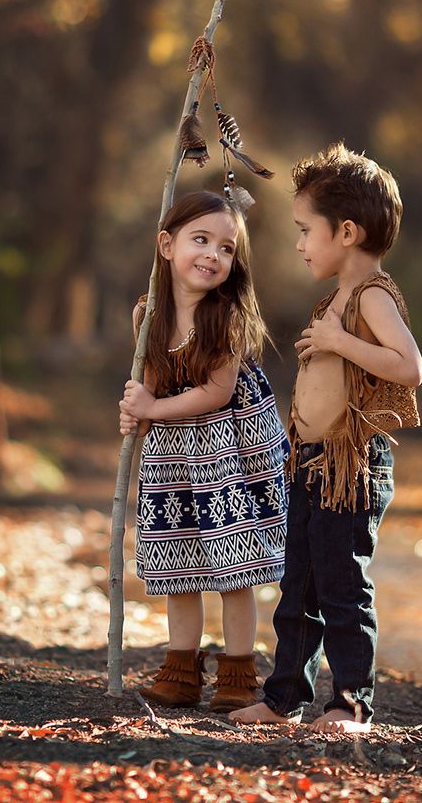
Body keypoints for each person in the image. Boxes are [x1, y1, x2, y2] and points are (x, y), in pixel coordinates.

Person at [230, 143, 422, 733]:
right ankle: (284, 696)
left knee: (341, 588)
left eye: (303, 229)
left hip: (352, 465)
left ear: (345, 231)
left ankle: (351, 704)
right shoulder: (334, 298)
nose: (297, 242)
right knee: (299, 590)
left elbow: (410, 367)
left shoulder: (372, 296)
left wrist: (340, 343)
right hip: (310, 465)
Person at [118, 189, 289, 713]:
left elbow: (215, 393)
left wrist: (152, 406)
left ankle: (238, 670)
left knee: (235, 568)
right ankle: (181, 667)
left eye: (227, 247)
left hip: (231, 454)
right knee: (180, 562)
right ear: (166, 245)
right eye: (201, 240)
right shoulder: (149, 314)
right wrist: (136, 415)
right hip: (175, 456)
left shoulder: (226, 316)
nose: (213, 255)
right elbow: (148, 384)